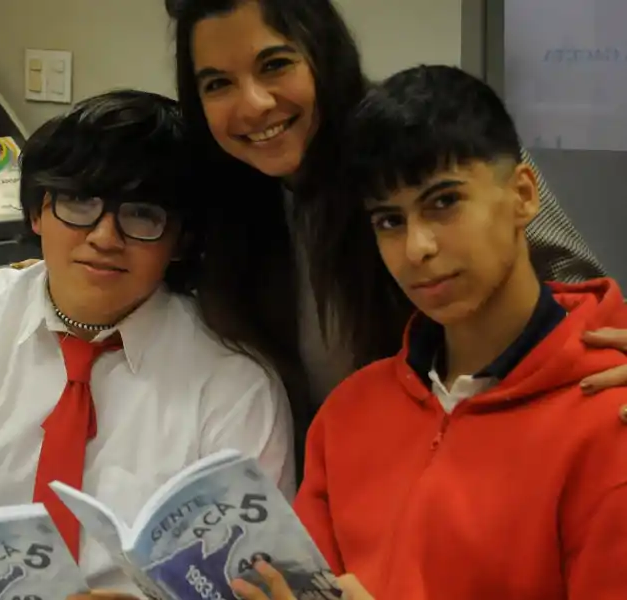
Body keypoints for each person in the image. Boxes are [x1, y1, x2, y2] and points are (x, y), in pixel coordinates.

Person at [0, 0, 627, 465]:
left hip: (465, 472)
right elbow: (148, 258)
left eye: (275, 65)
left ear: (322, 56)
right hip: (309, 490)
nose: (253, 105)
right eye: (218, 84)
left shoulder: (407, 148)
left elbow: (571, 285)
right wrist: (42, 278)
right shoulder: (224, 191)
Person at [0, 90, 294, 600]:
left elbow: (257, 576)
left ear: (180, 240)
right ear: (38, 211)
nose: (105, 237)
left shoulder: (233, 380)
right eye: (80, 202)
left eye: (142, 214)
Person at [242, 65, 627, 600]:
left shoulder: (611, 413)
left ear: (523, 195)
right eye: (389, 221)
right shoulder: (347, 415)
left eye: (444, 202)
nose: (417, 248)